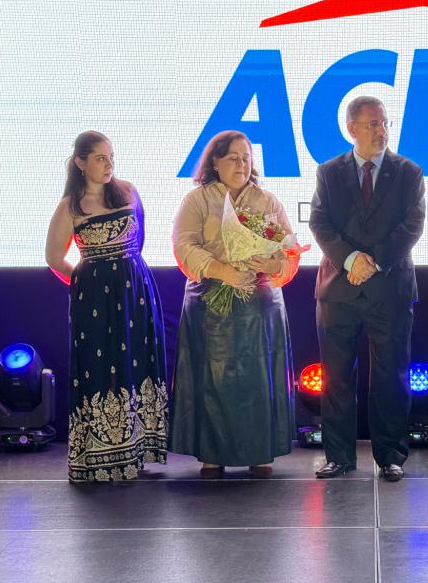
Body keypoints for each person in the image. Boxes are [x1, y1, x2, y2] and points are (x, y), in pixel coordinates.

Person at [309, 96, 426, 482]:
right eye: (373, 124)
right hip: (338, 290)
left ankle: (390, 456)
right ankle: (338, 457)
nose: (382, 131)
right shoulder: (329, 172)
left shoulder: (408, 171)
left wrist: (371, 261)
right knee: (336, 378)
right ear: (351, 129)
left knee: (391, 375)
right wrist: (349, 260)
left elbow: (412, 225)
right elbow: (320, 223)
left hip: (389, 288)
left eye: (385, 123)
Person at [170, 130, 300, 479]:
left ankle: (261, 451)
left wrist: (273, 264)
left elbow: (289, 251)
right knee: (213, 381)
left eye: (246, 158)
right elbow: (184, 245)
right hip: (212, 303)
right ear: (215, 161)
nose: (241, 164)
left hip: (260, 304)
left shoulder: (267, 201)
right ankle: (212, 455)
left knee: (258, 379)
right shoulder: (197, 200)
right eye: (233, 158)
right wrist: (222, 270)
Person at [45, 130, 168, 482]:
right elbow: (53, 257)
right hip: (94, 300)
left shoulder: (127, 191)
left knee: (138, 360)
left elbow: (138, 242)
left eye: (111, 157)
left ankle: (139, 448)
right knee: (99, 367)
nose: (108, 164)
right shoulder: (70, 206)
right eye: (100, 158)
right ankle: (101, 454)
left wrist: (123, 277)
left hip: (135, 292)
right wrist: (86, 281)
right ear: (80, 163)